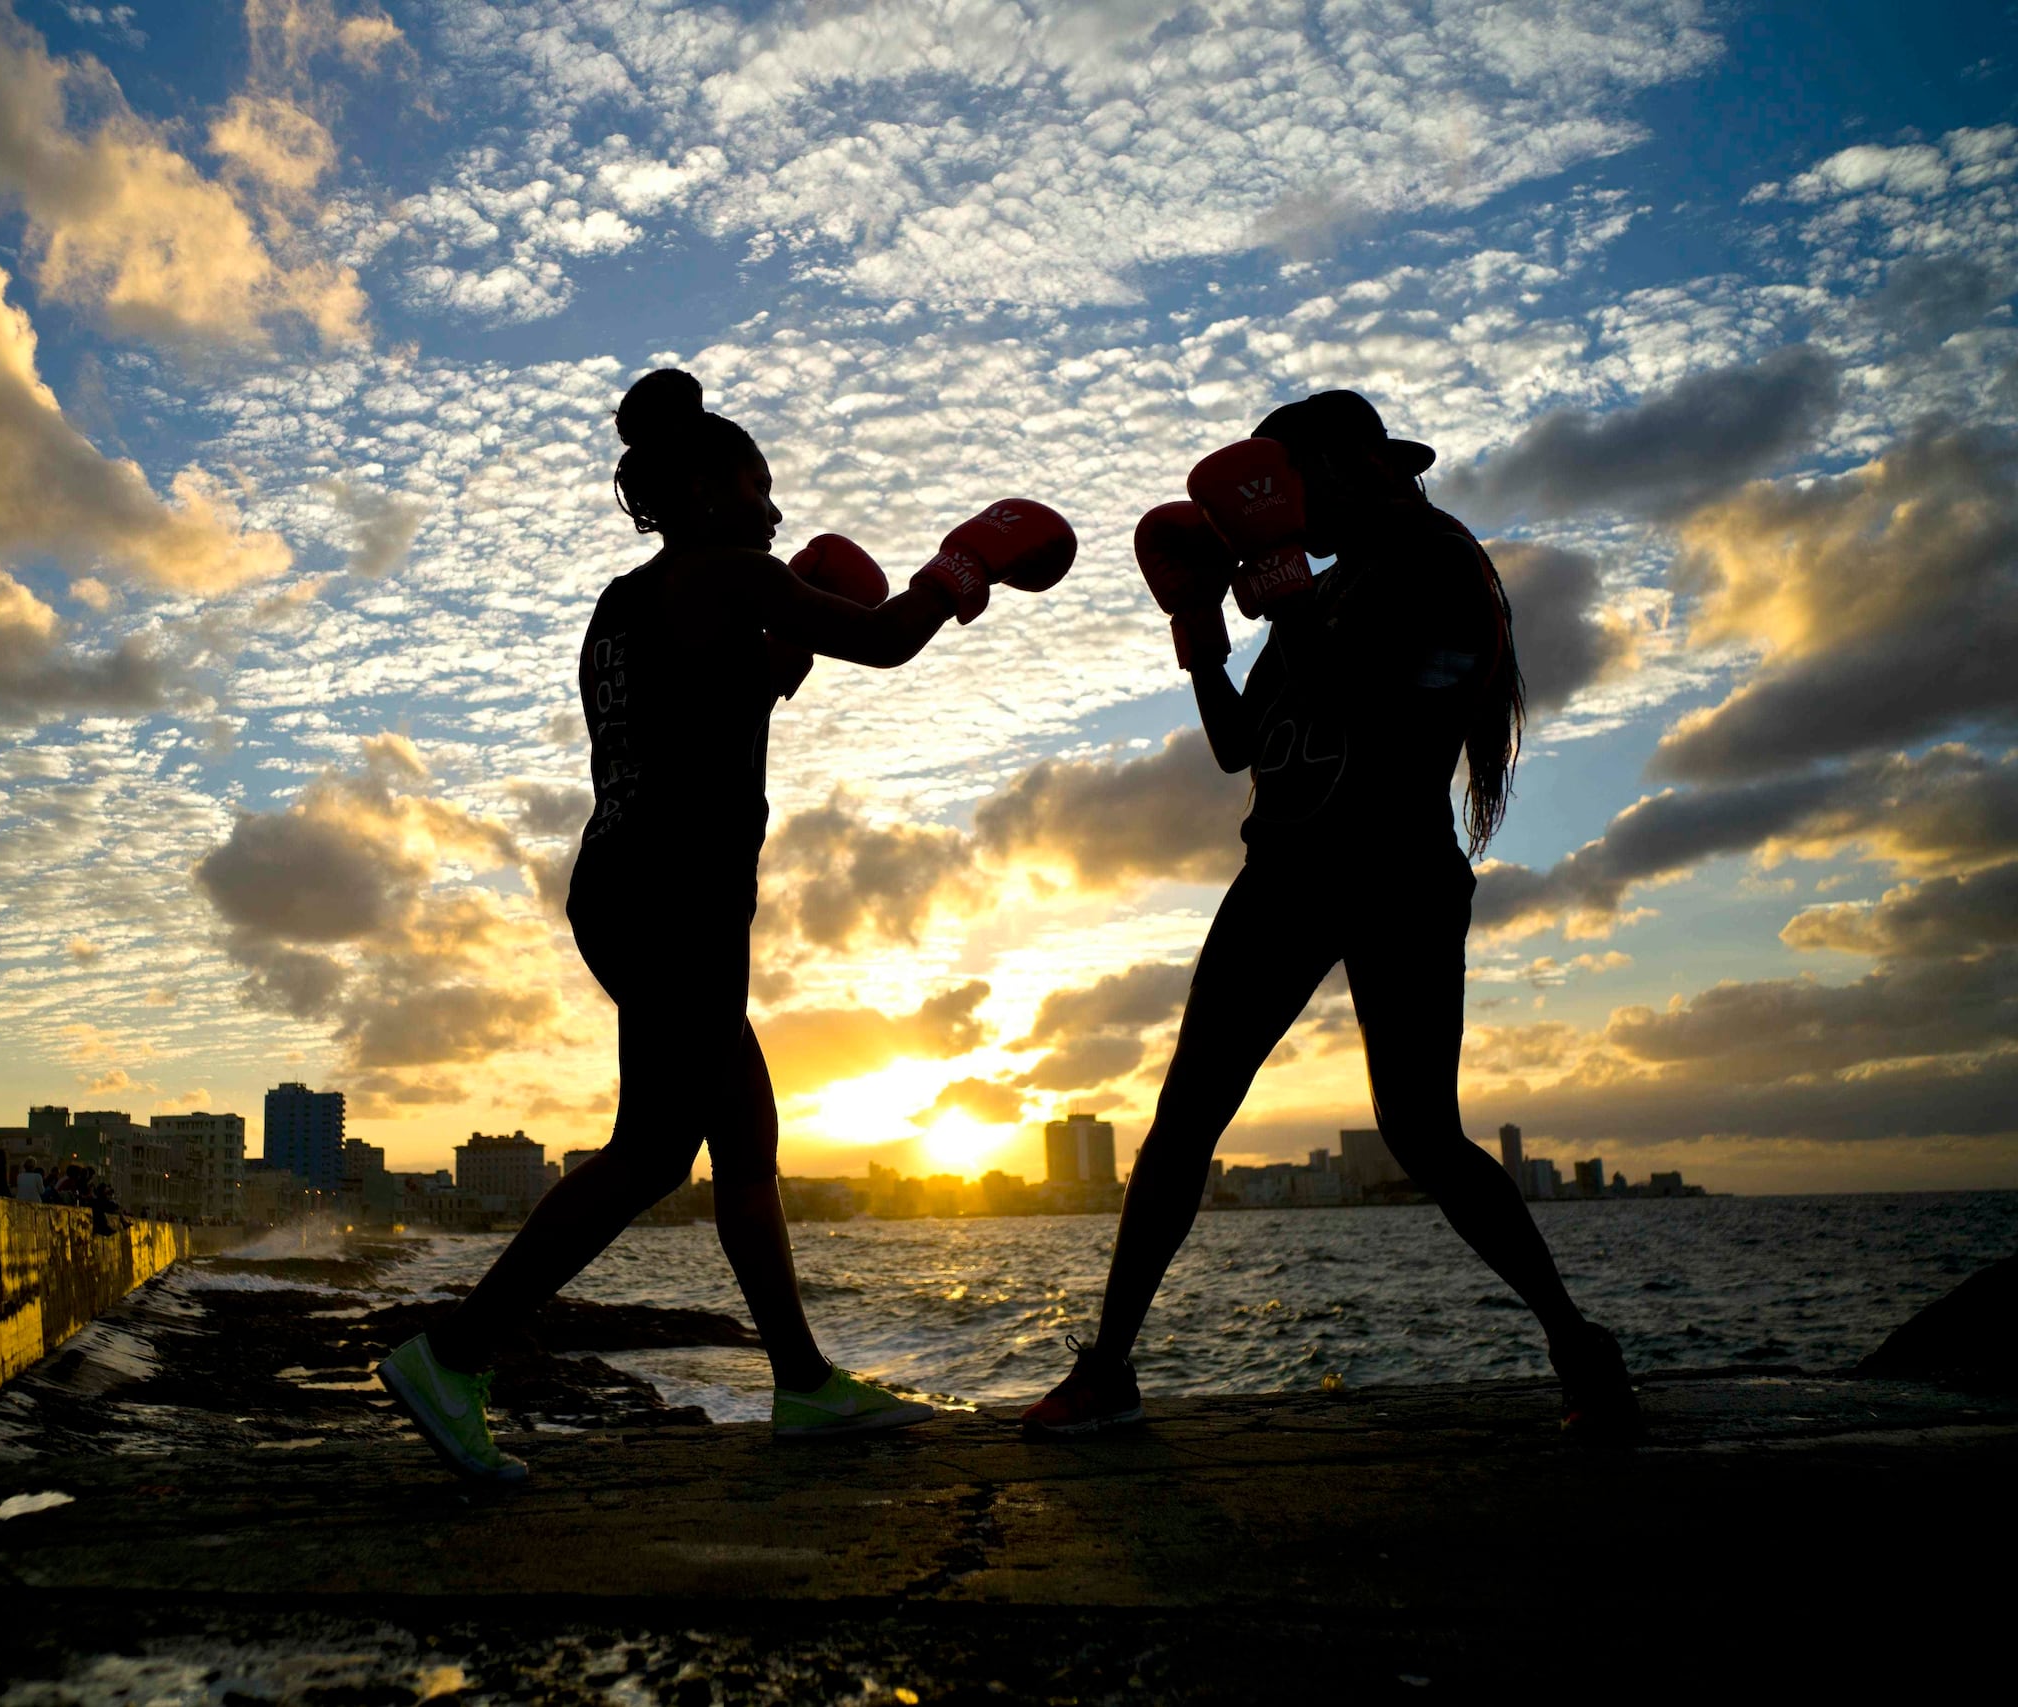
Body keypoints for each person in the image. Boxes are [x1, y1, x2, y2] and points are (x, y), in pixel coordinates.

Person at [378, 367, 1078, 1481]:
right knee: (656, 1150)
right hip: (673, 895)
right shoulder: (726, 572)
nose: (775, 513)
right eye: (760, 488)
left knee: (745, 1148)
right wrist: (962, 564)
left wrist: (787, 631)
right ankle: (452, 1355)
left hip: (634, 885)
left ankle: (802, 1387)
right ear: (705, 490)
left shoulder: (626, 606)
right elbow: (891, 640)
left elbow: (734, 693)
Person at [1025, 390, 1638, 1439]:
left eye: (1290, 486)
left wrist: (1285, 595)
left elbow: (1398, 710)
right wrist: (1201, 635)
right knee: (1184, 1117)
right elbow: (1238, 745)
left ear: (1353, 466)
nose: (1286, 515)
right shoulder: (1327, 578)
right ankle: (1110, 1367)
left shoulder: (1442, 567)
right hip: (1287, 870)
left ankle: (1578, 1346)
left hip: (1396, 867)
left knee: (1420, 1132)